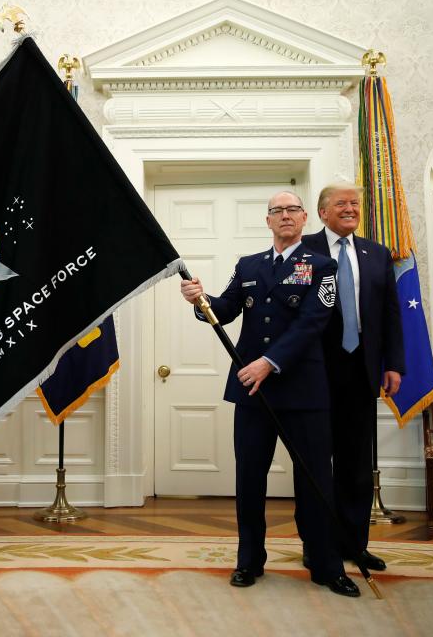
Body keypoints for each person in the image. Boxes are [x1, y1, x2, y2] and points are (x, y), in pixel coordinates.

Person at [180, 191, 359, 597]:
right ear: (267, 221)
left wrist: (269, 361)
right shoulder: (248, 266)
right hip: (252, 392)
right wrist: (199, 299)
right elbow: (224, 309)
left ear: (304, 218)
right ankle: (249, 560)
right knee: (249, 478)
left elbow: (313, 322)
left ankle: (325, 563)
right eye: (276, 211)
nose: (285, 216)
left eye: (292, 210)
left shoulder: (322, 266)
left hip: (302, 389)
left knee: (315, 480)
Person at [302, 182, 406, 571]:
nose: (350, 209)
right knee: (315, 463)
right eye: (341, 203)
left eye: (355, 204)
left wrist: (394, 363)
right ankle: (316, 545)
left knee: (356, 463)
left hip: (362, 367)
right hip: (314, 369)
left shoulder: (377, 254)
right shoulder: (304, 250)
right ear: (323, 211)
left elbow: (391, 314)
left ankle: (354, 544)